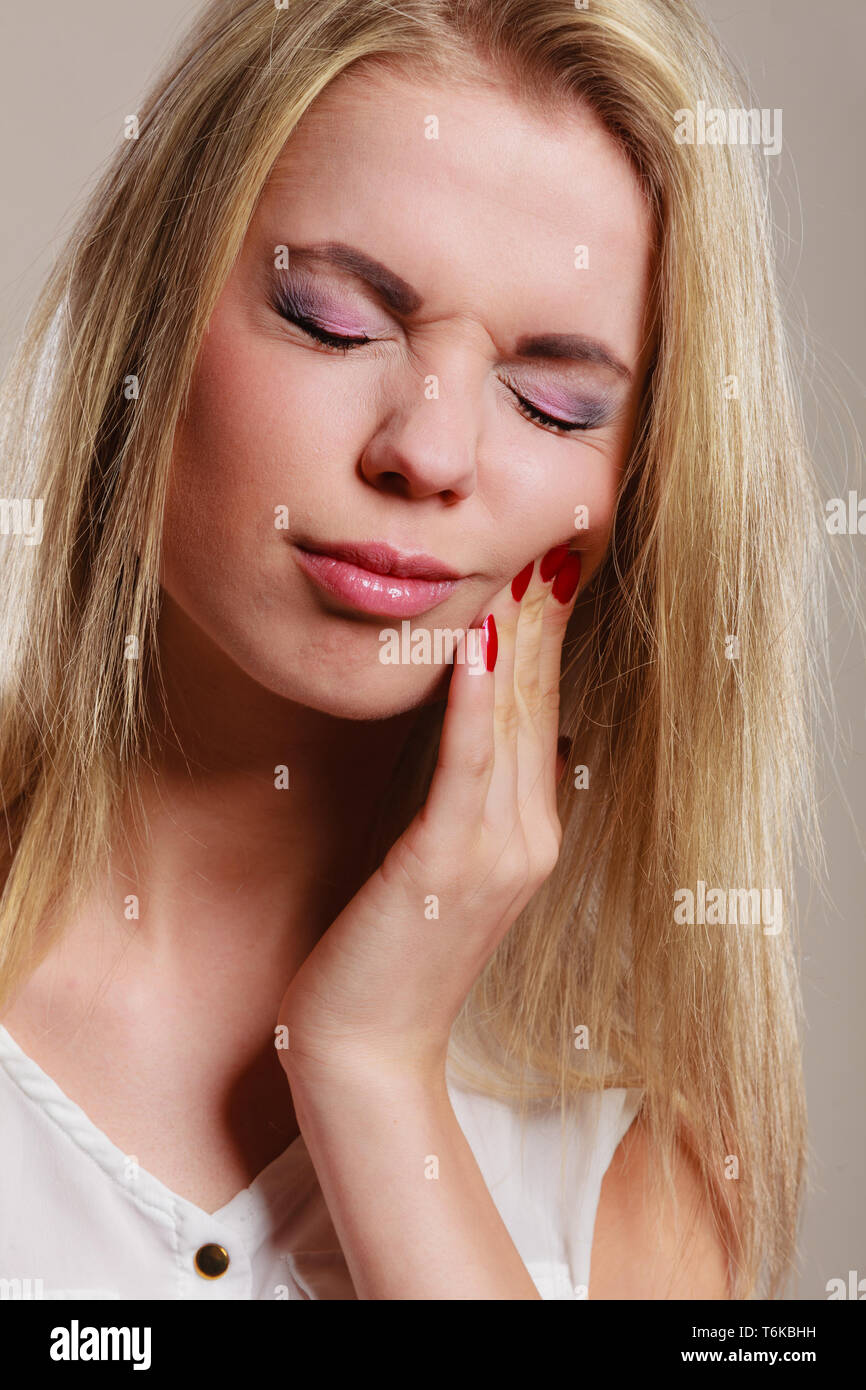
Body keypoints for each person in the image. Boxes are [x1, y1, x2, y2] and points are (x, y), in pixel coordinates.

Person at [0, 0, 825, 1300]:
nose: (427, 451)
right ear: (150, 320)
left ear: (632, 488)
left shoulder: (631, 1181)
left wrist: (374, 1075)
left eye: (554, 399)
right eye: (332, 319)